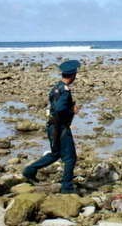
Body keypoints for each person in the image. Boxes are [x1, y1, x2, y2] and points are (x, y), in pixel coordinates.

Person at [22, 60, 81, 194]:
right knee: (70, 158)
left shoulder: (56, 87)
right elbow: (60, 108)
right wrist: (72, 110)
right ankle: (67, 187)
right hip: (60, 127)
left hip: (52, 126)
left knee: (56, 154)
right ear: (73, 75)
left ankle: (30, 170)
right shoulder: (65, 91)